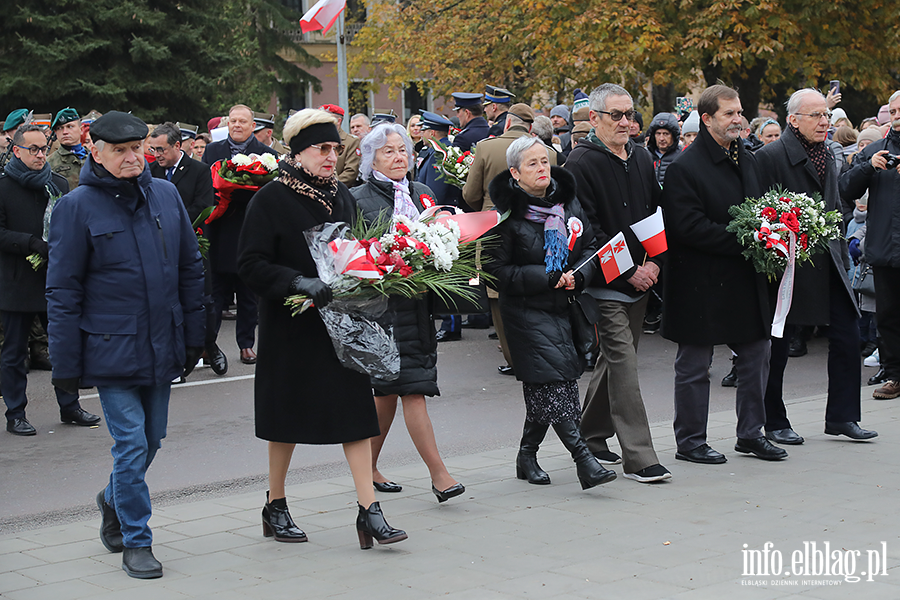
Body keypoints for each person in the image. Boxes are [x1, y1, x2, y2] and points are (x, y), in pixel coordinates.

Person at [237, 108, 406, 550]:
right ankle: (275, 503)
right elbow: (251, 264)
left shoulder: (341, 196)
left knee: (355, 416)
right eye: (322, 149)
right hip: (292, 326)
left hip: (341, 325)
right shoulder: (270, 199)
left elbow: (353, 253)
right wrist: (297, 282)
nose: (332, 157)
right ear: (297, 153)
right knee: (285, 421)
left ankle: (369, 511)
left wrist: (377, 272)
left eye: (335, 148)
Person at [47, 111, 205, 578]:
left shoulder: (166, 194)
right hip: (110, 347)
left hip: (162, 344)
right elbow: (63, 289)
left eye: (138, 148)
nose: (133, 157)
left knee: (151, 440)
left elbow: (190, 269)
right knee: (132, 445)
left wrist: (195, 337)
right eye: (120, 150)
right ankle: (137, 540)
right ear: (95, 152)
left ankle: (111, 497)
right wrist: (65, 366)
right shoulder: (77, 207)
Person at [661, 84, 787, 464]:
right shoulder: (684, 166)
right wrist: (749, 240)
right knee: (696, 365)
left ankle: (751, 434)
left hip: (744, 280)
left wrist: (776, 229)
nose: (738, 120)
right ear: (706, 119)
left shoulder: (749, 159)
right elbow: (686, 227)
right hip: (699, 281)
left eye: (740, 112)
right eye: (729, 114)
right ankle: (691, 442)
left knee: (756, 354)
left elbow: (765, 209)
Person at [484, 135, 617, 490]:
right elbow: (495, 271)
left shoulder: (566, 202)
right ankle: (583, 461)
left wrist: (579, 275)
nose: (542, 169)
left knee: (550, 384)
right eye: (532, 164)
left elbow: (589, 246)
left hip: (566, 306)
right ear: (514, 173)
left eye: (545, 161)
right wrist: (545, 277)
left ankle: (527, 456)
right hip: (526, 312)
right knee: (556, 383)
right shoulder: (506, 216)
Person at [351, 122, 465, 503]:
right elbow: (354, 258)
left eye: (402, 149)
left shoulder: (423, 193)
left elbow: (443, 241)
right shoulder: (357, 198)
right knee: (411, 391)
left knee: (387, 395)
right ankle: (440, 474)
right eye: (388, 151)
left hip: (417, 308)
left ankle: (367, 466)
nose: (399, 156)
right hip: (381, 313)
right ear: (371, 159)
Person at [756, 88, 877, 443]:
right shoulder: (770, 156)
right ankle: (774, 421)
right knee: (778, 344)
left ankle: (842, 417)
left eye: (826, 115)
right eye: (816, 116)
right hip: (789, 264)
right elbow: (759, 211)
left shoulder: (829, 152)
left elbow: (836, 202)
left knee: (847, 334)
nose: (825, 121)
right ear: (793, 120)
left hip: (829, 259)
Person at [564, 83, 671, 483]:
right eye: (617, 115)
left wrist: (655, 263)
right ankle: (640, 457)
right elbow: (586, 229)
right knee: (624, 361)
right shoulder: (579, 162)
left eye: (630, 114)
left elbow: (655, 214)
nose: (627, 122)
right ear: (594, 119)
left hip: (643, 276)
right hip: (605, 281)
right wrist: (629, 271)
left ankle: (589, 434)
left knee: (614, 360)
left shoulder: (642, 157)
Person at [0, 124, 101, 436]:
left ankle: (70, 405)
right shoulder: (2, 187)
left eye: (44, 148)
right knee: (15, 353)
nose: (40, 154)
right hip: (17, 282)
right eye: (33, 149)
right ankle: (15, 412)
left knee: (63, 346)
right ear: (16, 150)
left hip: (53, 279)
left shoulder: (56, 183)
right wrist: (30, 243)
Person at [463, 104, 541, 375]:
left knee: (498, 293)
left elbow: (470, 194)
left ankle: (513, 358)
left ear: (507, 123)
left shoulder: (486, 148)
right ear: (530, 128)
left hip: (493, 226)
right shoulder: (547, 153)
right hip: (538, 227)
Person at [148, 123, 227, 377]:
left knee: (203, 299)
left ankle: (210, 345)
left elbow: (203, 204)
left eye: (161, 149)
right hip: (160, 245)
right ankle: (179, 354)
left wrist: (173, 222)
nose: (157, 154)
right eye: (153, 149)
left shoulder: (199, 170)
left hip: (193, 240)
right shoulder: (150, 172)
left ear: (177, 146)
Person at [202, 104, 277, 366]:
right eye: (233, 120)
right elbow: (205, 184)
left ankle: (246, 345)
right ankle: (208, 344)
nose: (237, 125)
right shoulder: (212, 150)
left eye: (242, 121)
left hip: (249, 228)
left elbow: (270, 195)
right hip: (220, 228)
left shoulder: (267, 155)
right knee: (215, 291)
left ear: (253, 126)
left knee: (247, 292)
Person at [840, 90, 900, 400]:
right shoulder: (875, 150)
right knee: (887, 317)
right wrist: (869, 166)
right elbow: (845, 188)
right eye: (893, 110)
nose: (897, 115)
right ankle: (893, 376)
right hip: (884, 249)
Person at [415, 110, 464, 342]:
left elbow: (434, 193)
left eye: (424, 130)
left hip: (440, 218)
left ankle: (451, 323)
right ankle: (449, 321)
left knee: (444, 269)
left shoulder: (438, 155)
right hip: (442, 217)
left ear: (432, 132)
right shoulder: (437, 151)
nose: (421, 134)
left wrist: (430, 218)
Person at [320, 104, 362, 186]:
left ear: (338, 121)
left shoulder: (351, 142)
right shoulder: (318, 140)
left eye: (326, 119)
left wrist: (329, 185)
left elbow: (351, 172)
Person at [47, 108, 87, 190]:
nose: (65, 132)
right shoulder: (49, 163)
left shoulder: (95, 158)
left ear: (81, 129)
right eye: (59, 128)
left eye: (70, 126)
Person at [647, 112, 681, 186]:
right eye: (658, 134)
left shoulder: (682, 156)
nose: (661, 138)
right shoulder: (645, 155)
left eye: (666, 134)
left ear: (674, 136)